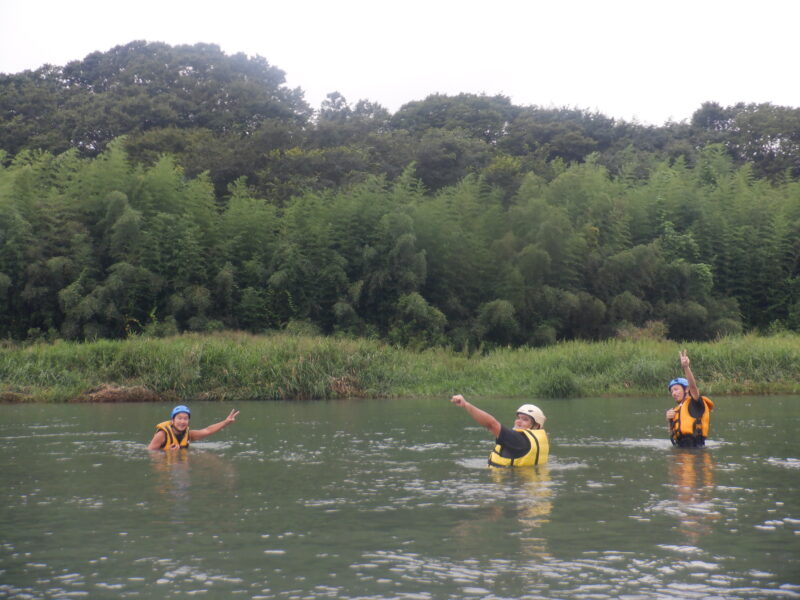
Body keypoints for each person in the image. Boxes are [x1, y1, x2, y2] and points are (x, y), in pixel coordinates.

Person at [450, 394, 549, 466]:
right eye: (518, 418)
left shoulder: (519, 440)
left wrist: (466, 405)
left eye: (525, 419)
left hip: (513, 485)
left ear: (536, 426)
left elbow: (491, 424)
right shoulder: (535, 439)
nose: (518, 422)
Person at [665, 350, 714, 447]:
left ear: (686, 389)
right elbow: (673, 434)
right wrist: (669, 419)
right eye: (672, 391)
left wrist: (686, 367)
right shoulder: (676, 410)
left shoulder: (695, 403)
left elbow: (693, 387)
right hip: (680, 450)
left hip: (696, 451)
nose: (674, 393)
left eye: (676, 389)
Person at [148, 405, 240, 450]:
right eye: (179, 418)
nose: (182, 421)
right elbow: (149, 453)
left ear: (188, 421)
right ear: (172, 420)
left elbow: (207, 430)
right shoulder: (162, 434)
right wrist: (167, 453)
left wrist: (225, 422)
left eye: (185, 419)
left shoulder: (189, 434)